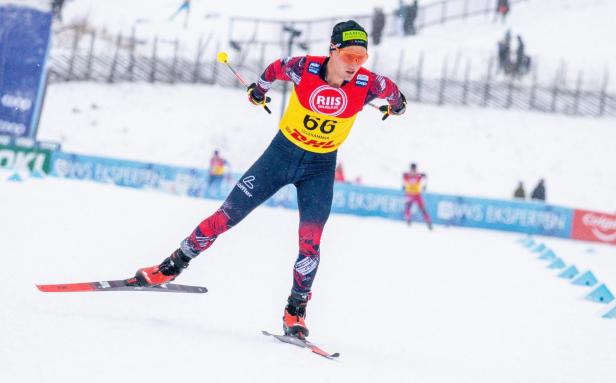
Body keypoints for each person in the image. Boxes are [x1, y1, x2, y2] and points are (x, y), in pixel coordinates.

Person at [132, 20, 407, 338]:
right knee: (227, 215)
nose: (355, 65)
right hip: (281, 156)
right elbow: (275, 69)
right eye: (349, 56)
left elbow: (396, 97)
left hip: (319, 168)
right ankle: (172, 265)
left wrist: (397, 107)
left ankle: (296, 310)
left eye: (361, 58)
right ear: (332, 50)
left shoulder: (371, 84)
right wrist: (258, 91)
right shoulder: (304, 68)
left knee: (310, 243)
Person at [403, 163, 432, 230]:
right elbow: (403, 178)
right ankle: (408, 220)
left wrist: (425, 185)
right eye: (412, 170)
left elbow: (425, 177)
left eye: (414, 170)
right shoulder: (407, 175)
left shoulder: (418, 175)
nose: (413, 171)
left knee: (423, 209)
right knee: (408, 207)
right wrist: (403, 185)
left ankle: (428, 222)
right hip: (409, 194)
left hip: (417, 195)